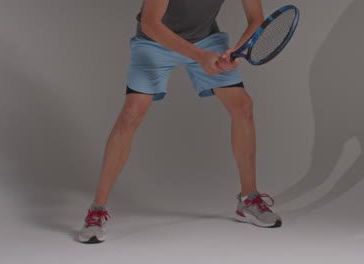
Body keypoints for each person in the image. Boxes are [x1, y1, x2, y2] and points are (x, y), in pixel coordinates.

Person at [78, 0, 282, 244]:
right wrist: (201, 57)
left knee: (243, 106)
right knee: (130, 114)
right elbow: (150, 23)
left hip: (206, 40)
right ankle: (97, 209)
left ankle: (248, 199)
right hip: (155, 41)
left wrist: (235, 52)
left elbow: (256, 20)